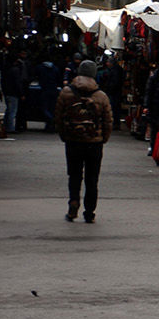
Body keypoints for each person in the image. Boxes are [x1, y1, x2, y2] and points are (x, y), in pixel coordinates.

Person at [55, 60, 113, 223]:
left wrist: (63, 135)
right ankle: (89, 212)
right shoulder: (101, 96)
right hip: (94, 142)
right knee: (92, 178)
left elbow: (58, 116)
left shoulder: (66, 92)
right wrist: (104, 138)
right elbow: (108, 121)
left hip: (73, 141)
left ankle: (73, 204)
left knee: (74, 175)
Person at [0, 55, 26, 135]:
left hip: (7, 92)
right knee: (12, 111)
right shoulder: (16, 70)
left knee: (9, 110)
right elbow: (17, 83)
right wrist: (21, 93)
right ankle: (10, 127)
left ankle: (6, 125)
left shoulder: (6, 70)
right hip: (13, 93)